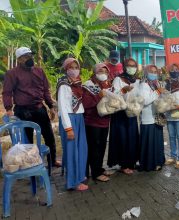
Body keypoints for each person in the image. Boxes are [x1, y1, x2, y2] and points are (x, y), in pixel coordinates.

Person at [2, 47, 61, 167]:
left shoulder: (39, 71)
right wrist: (8, 109)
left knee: (49, 136)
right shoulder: (12, 74)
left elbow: (46, 91)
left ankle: (52, 160)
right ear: (19, 59)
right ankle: (29, 164)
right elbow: (7, 92)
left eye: (30, 55)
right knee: (26, 140)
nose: (30, 58)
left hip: (39, 108)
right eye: (26, 56)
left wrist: (51, 106)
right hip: (22, 111)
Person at [57, 58, 88, 191]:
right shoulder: (64, 85)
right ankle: (73, 182)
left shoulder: (78, 83)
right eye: (71, 67)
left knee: (81, 149)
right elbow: (63, 108)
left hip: (79, 117)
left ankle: (79, 176)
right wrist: (68, 129)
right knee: (72, 152)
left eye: (76, 67)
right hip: (69, 119)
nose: (74, 70)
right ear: (66, 69)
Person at [107, 58, 141, 175]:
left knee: (132, 138)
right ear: (125, 67)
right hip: (121, 114)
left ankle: (131, 162)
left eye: (134, 66)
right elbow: (113, 96)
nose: (132, 68)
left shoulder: (137, 80)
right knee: (122, 138)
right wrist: (123, 90)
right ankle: (123, 164)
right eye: (129, 65)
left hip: (131, 112)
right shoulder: (118, 79)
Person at [82, 63, 112, 182]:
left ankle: (98, 168)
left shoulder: (107, 84)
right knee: (94, 148)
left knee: (102, 147)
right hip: (92, 122)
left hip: (105, 120)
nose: (103, 74)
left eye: (105, 72)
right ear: (94, 72)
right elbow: (85, 104)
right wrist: (98, 96)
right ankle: (95, 172)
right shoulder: (88, 85)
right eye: (100, 72)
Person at [139, 65, 166, 171]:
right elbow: (145, 101)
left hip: (156, 118)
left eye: (155, 72)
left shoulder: (155, 84)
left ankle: (158, 162)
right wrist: (158, 92)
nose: (153, 73)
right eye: (151, 71)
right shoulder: (143, 85)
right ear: (146, 72)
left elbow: (158, 98)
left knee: (157, 142)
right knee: (149, 143)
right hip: (147, 118)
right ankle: (149, 164)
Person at [164, 63, 179, 169]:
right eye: (172, 69)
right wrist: (166, 105)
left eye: (176, 69)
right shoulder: (167, 83)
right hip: (169, 113)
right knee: (171, 136)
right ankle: (173, 156)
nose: (174, 71)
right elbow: (163, 96)